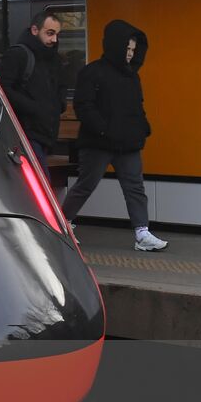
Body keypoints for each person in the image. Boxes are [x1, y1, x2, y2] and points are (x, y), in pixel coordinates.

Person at [60, 19, 168, 252]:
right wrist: (104, 129)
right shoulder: (92, 73)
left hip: (126, 143)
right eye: (127, 49)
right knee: (86, 184)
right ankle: (62, 224)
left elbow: (137, 106)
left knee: (135, 187)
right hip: (98, 143)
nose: (130, 54)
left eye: (133, 50)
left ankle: (142, 232)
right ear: (115, 46)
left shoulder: (131, 76)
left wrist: (141, 126)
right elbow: (84, 105)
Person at [0, 11, 65, 173]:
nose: (54, 39)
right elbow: (2, 89)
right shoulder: (18, 55)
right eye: (50, 33)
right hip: (25, 133)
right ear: (35, 30)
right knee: (41, 183)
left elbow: (61, 85)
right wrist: (34, 108)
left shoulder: (53, 59)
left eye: (57, 34)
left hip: (45, 134)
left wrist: (59, 104)